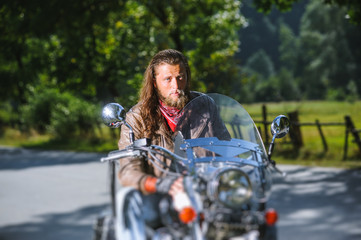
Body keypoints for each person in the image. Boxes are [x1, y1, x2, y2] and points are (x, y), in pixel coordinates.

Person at [116, 49, 230, 231]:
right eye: (168, 79)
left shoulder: (205, 106)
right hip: (161, 193)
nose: (176, 86)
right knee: (141, 209)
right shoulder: (136, 118)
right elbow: (128, 171)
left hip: (204, 188)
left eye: (180, 77)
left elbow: (226, 149)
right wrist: (161, 184)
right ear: (154, 83)